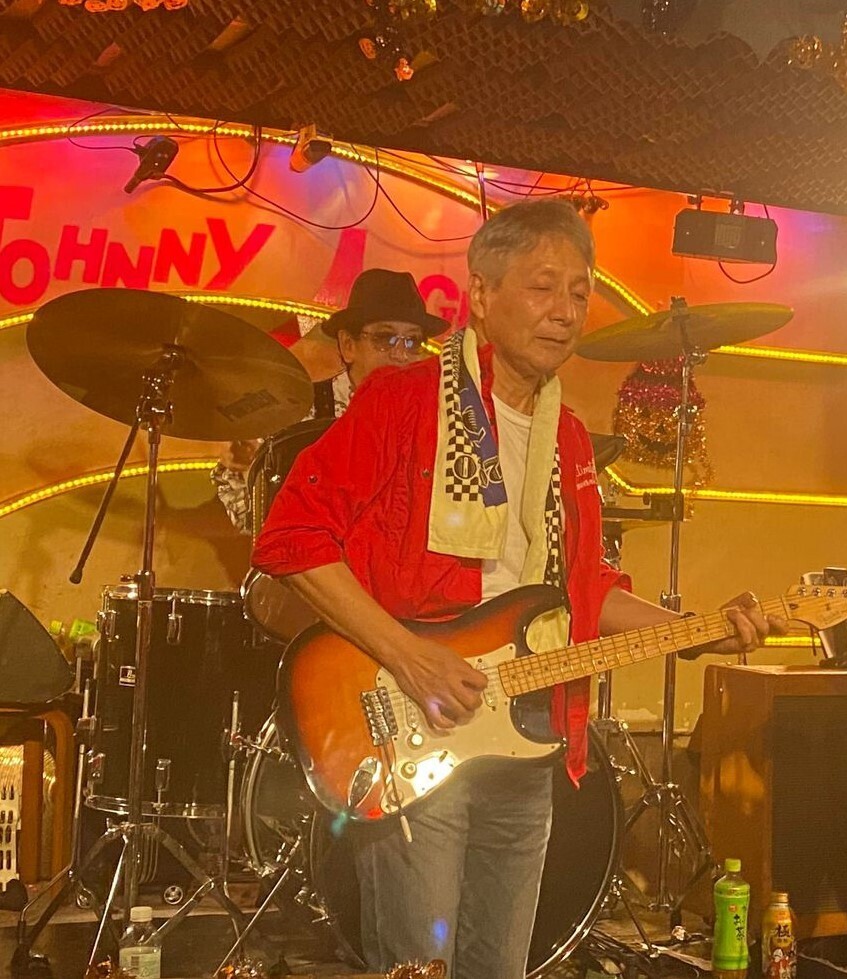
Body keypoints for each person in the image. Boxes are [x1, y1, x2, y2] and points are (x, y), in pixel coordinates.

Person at [251, 198, 785, 978]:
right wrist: (410, 657)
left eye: (579, 291)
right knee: (421, 967)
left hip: (527, 735)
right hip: (415, 725)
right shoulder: (402, 401)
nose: (566, 311)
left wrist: (696, 628)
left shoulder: (568, 436)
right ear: (482, 292)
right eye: (543, 287)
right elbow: (290, 539)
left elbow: (583, 590)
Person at [210, 268, 447, 531]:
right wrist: (247, 469)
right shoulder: (298, 410)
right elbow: (254, 523)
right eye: (384, 338)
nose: (401, 354)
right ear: (348, 345)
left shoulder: (438, 417)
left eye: (412, 341)